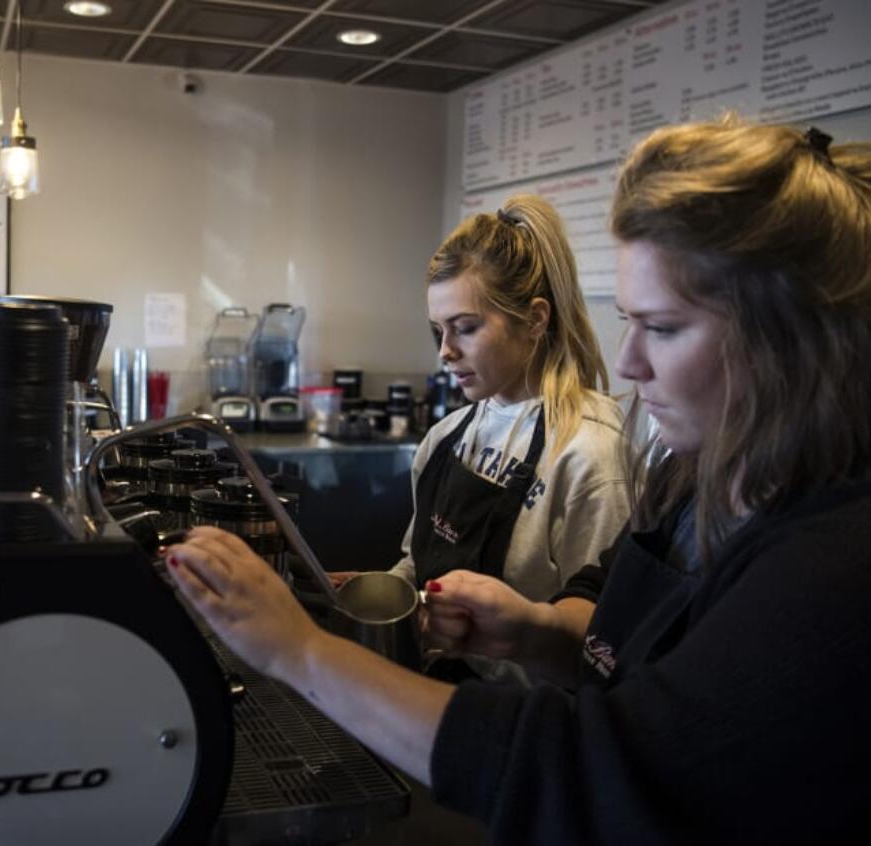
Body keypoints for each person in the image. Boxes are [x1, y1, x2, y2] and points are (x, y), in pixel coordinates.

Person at [166, 115, 871, 842]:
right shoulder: (688, 481)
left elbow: (604, 763)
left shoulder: (830, 570)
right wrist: (531, 628)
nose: (627, 364)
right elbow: (607, 624)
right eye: (629, 322)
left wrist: (301, 651)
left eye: (661, 328)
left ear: (788, 336)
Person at [335, 194, 628, 683]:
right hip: (432, 695)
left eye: (465, 328)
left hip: (522, 727)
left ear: (535, 319)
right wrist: (373, 596)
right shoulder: (447, 438)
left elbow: (598, 644)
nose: (446, 353)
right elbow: (417, 563)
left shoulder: (589, 457)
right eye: (438, 332)